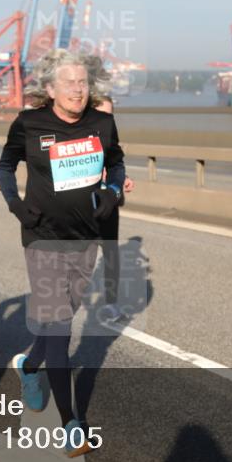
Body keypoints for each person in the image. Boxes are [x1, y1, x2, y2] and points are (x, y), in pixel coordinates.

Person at [0, 49, 125, 458]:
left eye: (83, 83)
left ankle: (29, 366)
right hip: (42, 237)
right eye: (69, 83)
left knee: (59, 319)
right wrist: (15, 204)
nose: (78, 90)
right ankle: (70, 422)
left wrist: (112, 190)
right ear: (50, 89)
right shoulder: (29, 123)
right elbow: (5, 164)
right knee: (61, 327)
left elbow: (117, 163)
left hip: (84, 240)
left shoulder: (102, 124)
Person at [91, 95, 135, 319]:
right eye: (103, 114)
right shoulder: (79, 138)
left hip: (107, 205)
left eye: (111, 114)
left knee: (110, 253)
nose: (107, 118)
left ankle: (111, 303)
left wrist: (122, 179)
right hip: (82, 207)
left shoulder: (110, 137)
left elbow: (115, 165)